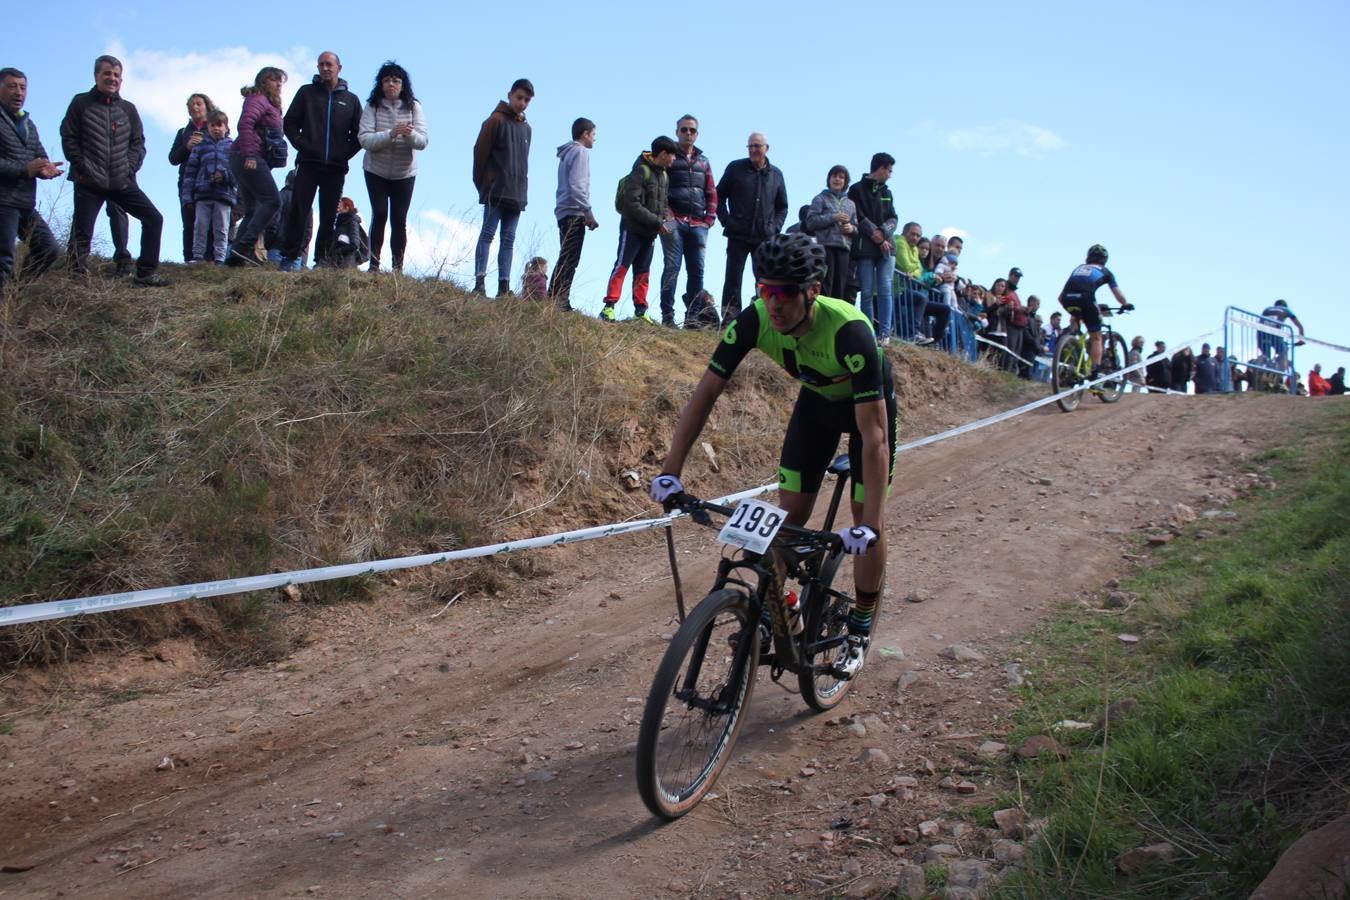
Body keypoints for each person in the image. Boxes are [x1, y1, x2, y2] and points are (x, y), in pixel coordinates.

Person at [650, 232, 896, 680]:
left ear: (812, 292)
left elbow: (874, 436)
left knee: (869, 519)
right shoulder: (755, 320)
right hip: (816, 409)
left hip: (866, 414)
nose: (774, 303)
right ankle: (788, 609)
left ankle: (859, 626)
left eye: (784, 293)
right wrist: (671, 471)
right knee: (788, 522)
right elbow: (706, 391)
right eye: (765, 290)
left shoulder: (850, 331)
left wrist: (868, 525)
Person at [60, 55, 166, 286]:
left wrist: (129, 168)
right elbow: (68, 137)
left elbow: (138, 143)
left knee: (154, 218)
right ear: (96, 76)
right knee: (82, 232)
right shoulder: (80, 103)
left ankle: (145, 273)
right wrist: (82, 167)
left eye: (116, 75)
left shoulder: (128, 109)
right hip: (89, 181)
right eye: (107, 73)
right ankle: (76, 278)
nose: (112, 78)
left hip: (121, 180)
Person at [282, 51, 362, 269]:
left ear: (339, 67)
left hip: (335, 168)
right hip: (308, 163)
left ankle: (322, 260)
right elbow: (289, 123)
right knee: (299, 210)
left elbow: (359, 135)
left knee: (328, 216)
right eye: (321, 65)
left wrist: (343, 153)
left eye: (329, 64)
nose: (325, 68)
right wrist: (302, 144)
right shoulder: (306, 93)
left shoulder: (351, 100)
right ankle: (289, 258)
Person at [358, 61, 427, 274]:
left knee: (399, 219)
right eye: (387, 80)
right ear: (380, 84)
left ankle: (398, 268)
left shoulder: (414, 106)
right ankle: (374, 265)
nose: (391, 85)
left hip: (404, 173)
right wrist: (391, 134)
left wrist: (408, 134)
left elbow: (423, 141)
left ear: (403, 85)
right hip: (375, 170)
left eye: (396, 81)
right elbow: (365, 139)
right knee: (379, 214)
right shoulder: (372, 106)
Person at [599, 136, 676, 323]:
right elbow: (632, 205)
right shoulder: (641, 171)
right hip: (632, 229)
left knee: (643, 272)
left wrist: (667, 217)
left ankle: (640, 311)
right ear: (664, 154)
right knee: (622, 266)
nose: (674, 159)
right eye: (672, 155)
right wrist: (658, 223)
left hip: (649, 233)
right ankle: (608, 307)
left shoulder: (664, 175)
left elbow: (663, 202)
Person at [0, 67, 64, 289]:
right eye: (12, 86)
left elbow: (39, 153)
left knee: (49, 249)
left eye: (22, 87)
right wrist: (23, 169)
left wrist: (45, 167)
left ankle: (14, 295)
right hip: (3, 202)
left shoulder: (28, 123)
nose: (18, 92)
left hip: (25, 203)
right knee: (4, 261)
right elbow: (24, 166)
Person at [715, 131, 787, 324]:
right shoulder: (735, 168)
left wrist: (775, 228)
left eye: (758, 146)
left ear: (767, 148)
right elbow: (718, 196)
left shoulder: (776, 175)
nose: (754, 150)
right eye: (751, 146)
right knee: (732, 277)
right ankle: (730, 318)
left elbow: (782, 206)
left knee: (764, 280)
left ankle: (764, 318)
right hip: (737, 234)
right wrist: (726, 220)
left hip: (764, 237)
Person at [472, 78, 533, 296]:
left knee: (509, 239)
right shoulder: (495, 121)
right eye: (519, 97)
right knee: (488, 234)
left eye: (527, 100)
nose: (522, 103)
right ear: (510, 95)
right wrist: (483, 184)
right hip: (496, 189)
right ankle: (479, 282)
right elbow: (479, 153)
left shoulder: (527, 129)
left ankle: (504, 287)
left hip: (516, 193)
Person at [659, 115, 717, 327]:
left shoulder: (704, 161)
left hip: (699, 224)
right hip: (674, 221)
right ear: (677, 132)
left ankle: (692, 317)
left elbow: (711, 191)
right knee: (671, 267)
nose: (688, 134)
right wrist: (666, 212)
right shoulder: (669, 157)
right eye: (684, 130)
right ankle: (667, 316)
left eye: (692, 130)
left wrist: (709, 219)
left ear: (697, 134)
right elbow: (659, 186)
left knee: (697, 272)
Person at [230, 67, 287, 267]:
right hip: (248, 157)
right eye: (273, 80)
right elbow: (245, 124)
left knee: (253, 209)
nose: (278, 84)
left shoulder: (268, 103)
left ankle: (234, 258)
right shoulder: (258, 99)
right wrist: (251, 155)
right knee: (273, 201)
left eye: (280, 81)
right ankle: (242, 248)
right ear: (263, 82)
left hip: (244, 157)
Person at [1056, 244, 1132, 377]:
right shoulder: (1106, 271)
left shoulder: (1079, 268)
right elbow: (1118, 295)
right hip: (1086, 299)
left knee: (1077, 314)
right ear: (1104, 259)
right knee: (1096, 337)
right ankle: (1095, 373)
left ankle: (1071, 339)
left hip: (1067, 299)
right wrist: (1125, 304)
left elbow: (1060, 297)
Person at [848, 153, 898, 343]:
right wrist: (874, 234)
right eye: (889, 171)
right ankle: (869, 333)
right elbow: (857, 216)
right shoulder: (856, 189)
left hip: (887, 248)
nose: (890, 175)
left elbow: (894, 218)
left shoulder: (888, 192)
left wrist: (883, 232)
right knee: (867, 292)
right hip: (864, 248)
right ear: (881, 168)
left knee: (885, 289)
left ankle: (885, 335)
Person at [550, 116, 597, 311]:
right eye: (594, 134)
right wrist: (588, 211)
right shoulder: (580, 152)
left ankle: (554, 296)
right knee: (570, 257)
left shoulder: (567, 153)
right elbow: (577, 186)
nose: (595, 139)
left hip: (563, 210)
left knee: (566, 255)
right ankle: (560, 299)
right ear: (585, 134)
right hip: (573, 211)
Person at [183, 110, 237, 265]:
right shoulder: (200, 147)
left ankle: (219, 259)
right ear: (207, 128)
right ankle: (198, 257)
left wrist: (225, 176)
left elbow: (238, 172)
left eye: (220, 125)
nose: (216, 129)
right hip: (203, 194)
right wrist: (187, 196)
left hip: (224, 195)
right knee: (200, 226)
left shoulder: (233, 147)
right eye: (212, 126)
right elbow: (190, 172)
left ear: (227, 127)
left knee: (221, 228)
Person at [167, 92, 216, 262]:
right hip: (187, 183)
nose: (195, 107)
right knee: (189, 222)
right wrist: (187, 147)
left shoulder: (216, 128)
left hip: (210, 182)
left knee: (210, 222)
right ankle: (189, 259)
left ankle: (210, 261)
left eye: (198, 103)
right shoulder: (183, 132)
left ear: (207, 107)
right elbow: (173, 158)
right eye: (191, 105)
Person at [805, 165, 857, 299]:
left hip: (844, 249)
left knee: (840, 288)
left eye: (841, 177)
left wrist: (851, 229)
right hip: (825, 247)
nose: (837, 179)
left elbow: (856, 227)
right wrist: (833, 217)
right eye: (834, 176)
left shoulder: (851, 204)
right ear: (829, 179)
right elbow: (810, 222)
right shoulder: (820, 198)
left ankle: (835, 317)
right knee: (825, 285)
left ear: (845, 182)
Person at [1257, 299, 1305, 364]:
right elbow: (1299, 326)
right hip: (1274, 333)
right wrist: (1301, 340)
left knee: (1265, 355)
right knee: (1283, 352)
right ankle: (1281, 369)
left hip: (1261, 333)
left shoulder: (1267, 309)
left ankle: (1258, 366)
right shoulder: (1287, 310)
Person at [327, 196, 369, 268]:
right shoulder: (339, 223)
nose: (338, 208)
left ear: (347, 208)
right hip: (336, 262)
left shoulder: (352, 222)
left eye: (340, 205)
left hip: (347, 263)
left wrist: (339, 251)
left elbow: (355, 244)